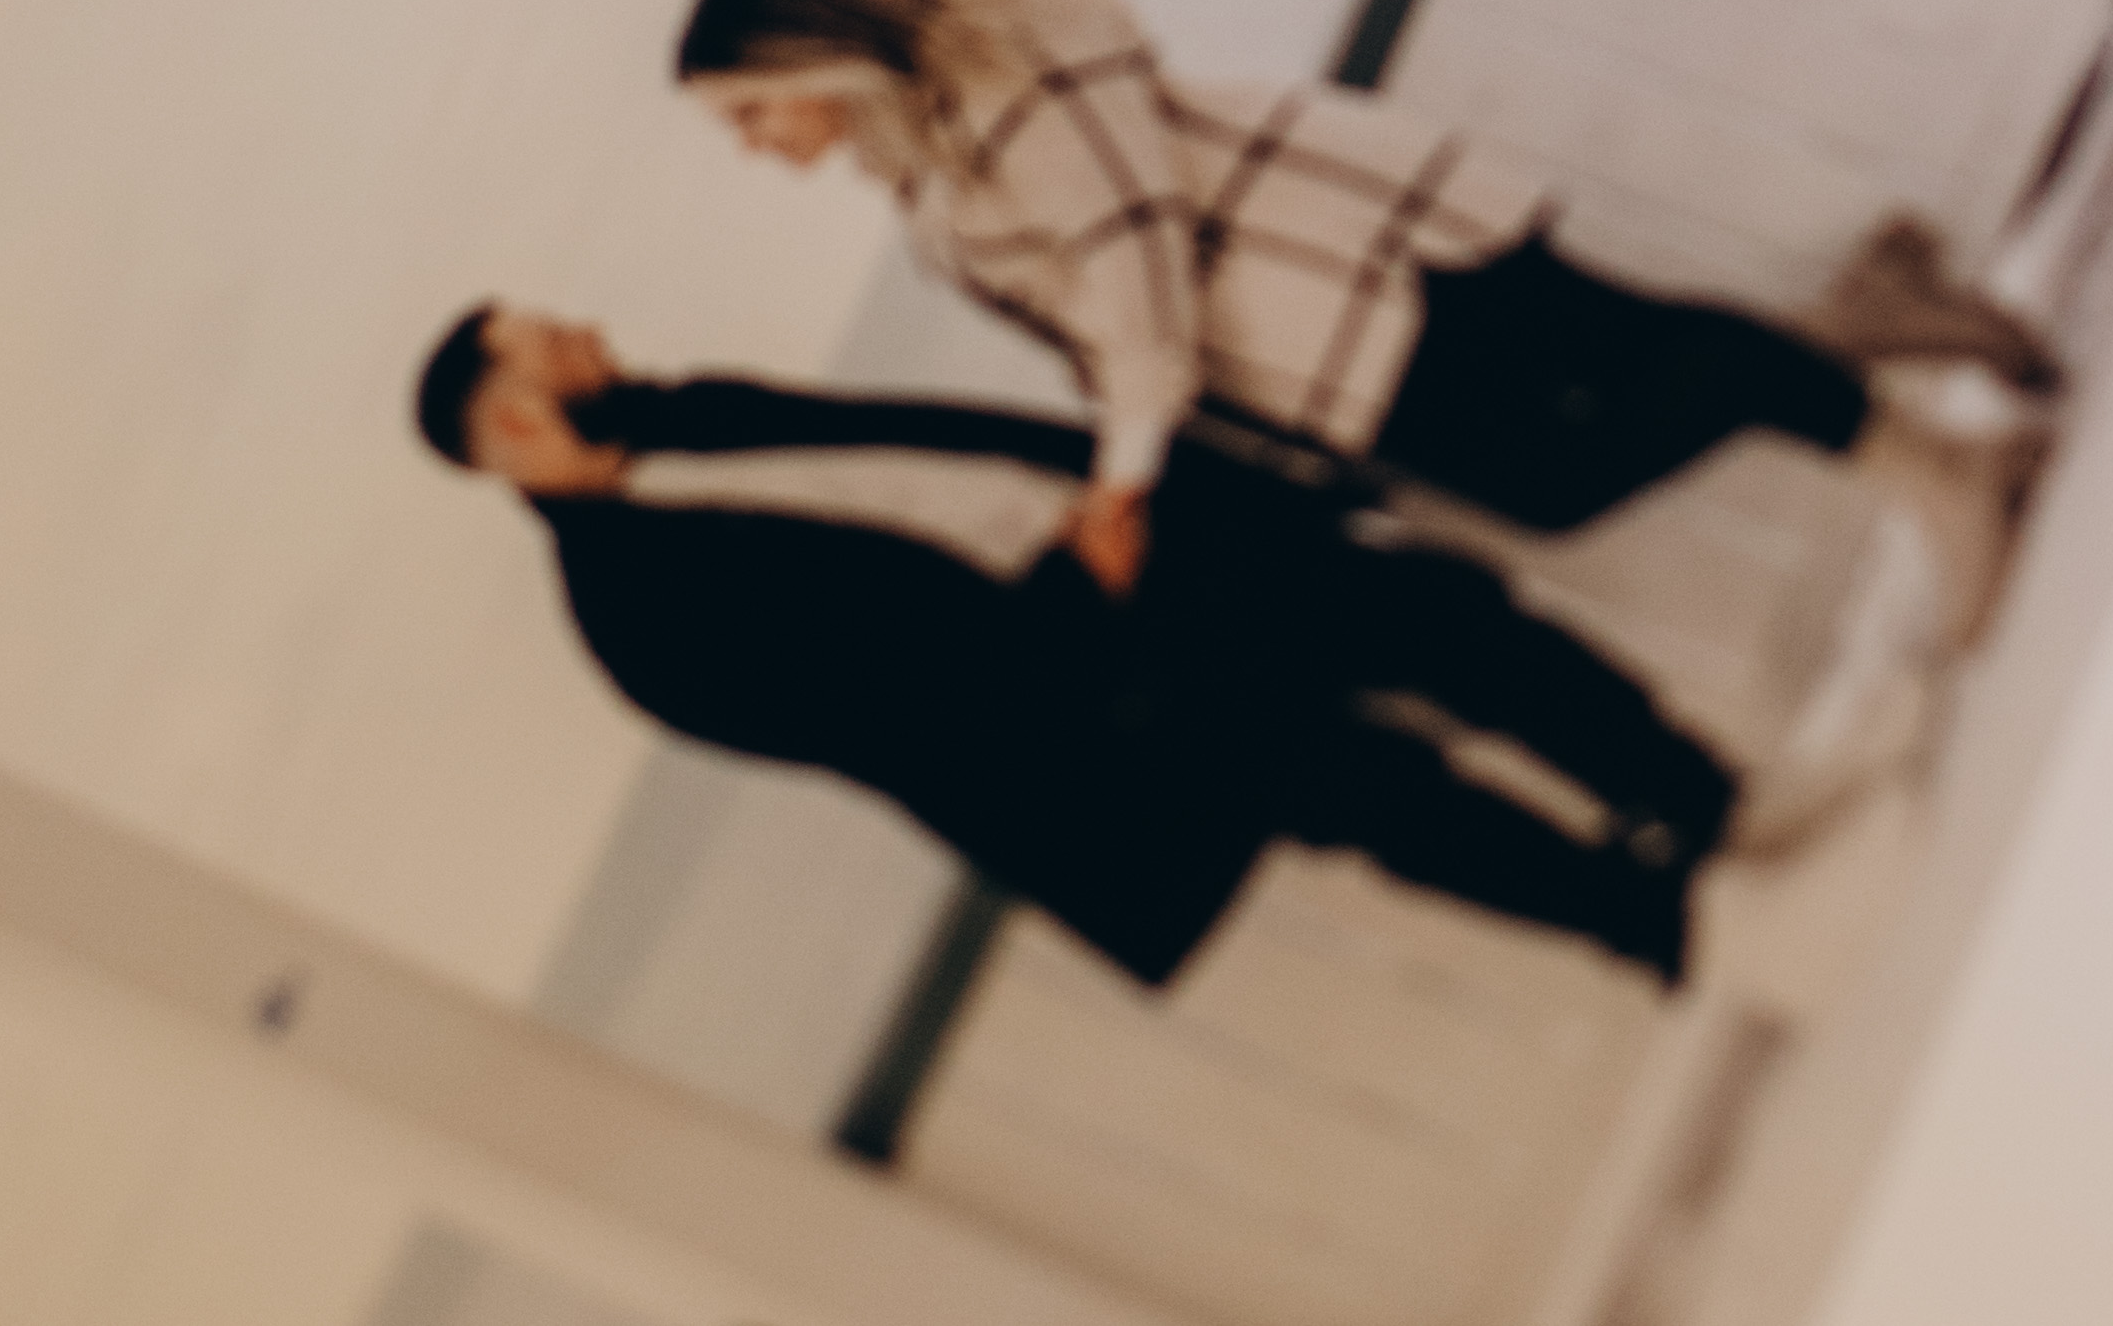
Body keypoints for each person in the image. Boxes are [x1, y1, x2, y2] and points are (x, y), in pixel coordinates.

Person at [416, 303, 1767, 988]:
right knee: (1381, 796)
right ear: (519, 427)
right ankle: (1642, 916)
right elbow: (885, 709)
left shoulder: (691, 411)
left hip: (1153, 542)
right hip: (1100, 696)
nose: (589, 336)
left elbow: (930, 450)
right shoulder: (637, 620)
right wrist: (1076, 589)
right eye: (553, 345)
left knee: (1447, 622)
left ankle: (1694, 795)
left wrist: (1143, 491)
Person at [666, 0, 2046, 616]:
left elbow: (1134, 265)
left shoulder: (1007, 82)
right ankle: (1869, 319)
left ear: (806, 60)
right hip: (1318, 321)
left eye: (748, 111)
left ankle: (1932, 454)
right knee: (1611, 396)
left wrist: (1122, 479)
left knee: (1568, 465)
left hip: (1367, 255)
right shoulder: (931, 186)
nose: (753, 146)